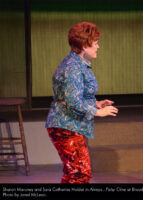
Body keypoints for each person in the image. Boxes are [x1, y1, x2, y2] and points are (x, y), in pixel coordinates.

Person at [45, 22, 118, 184]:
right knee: (80, 174)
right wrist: (97, 112)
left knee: (75, 173)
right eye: (96, 43)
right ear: (85, 46)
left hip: (69, 125)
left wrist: (96, 103)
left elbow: (72, 95)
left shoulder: (78, 63)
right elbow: (72, 100)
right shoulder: (73, 67)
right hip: (65, 126)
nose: (98, 47)